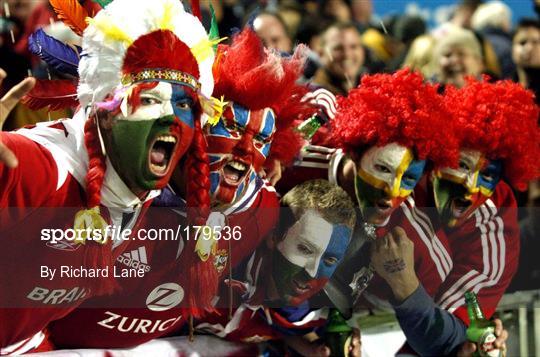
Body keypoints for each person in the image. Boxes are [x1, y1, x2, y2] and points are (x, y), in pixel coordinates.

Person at [47, 28, 313, 349]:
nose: (246, 149)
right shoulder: (113, 186)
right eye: (232, 127)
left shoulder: (261, 208)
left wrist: (302, 336)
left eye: (261, 140)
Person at [0, 0, 215, 353]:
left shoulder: (141, 179)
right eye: (148, 100)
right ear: (105, 114)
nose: (171, 118)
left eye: (183, 104)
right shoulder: (45, 168)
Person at [376, 78, 539, 356]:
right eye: (461, 165)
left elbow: (451, 339)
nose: (470, 186)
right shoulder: (395, 165)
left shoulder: (494, 224)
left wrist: (405, 284)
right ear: (438, 155)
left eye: (487, 175)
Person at [195, 179, 360, 357]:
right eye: (305, 249)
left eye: (329, 260)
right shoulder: (219, 251)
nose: (312, 272)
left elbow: (276, 323)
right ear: (273, 236)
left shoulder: (307, 308)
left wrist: (310, 348)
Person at [312, 23, 367, 96]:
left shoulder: (371, 88)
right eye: (338, 48)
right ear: (321, 54)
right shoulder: (313, 98)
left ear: (362, 50)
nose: (347, 54)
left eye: (353, 47)